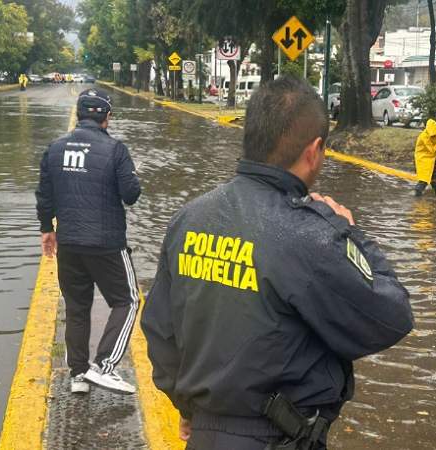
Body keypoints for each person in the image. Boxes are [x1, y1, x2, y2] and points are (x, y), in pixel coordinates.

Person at [142, 76, 414, 450]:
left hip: (205, 435)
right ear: (314, 150)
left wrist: (188, 409)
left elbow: (160, 330)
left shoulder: (188, 218)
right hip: (277, 438)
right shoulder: (309, 235)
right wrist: (349, 232)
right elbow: (392, 315)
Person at [35, 88, 142, 395]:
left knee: (77, 307)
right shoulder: (115, 150)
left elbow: (44, 195)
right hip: (107, 243)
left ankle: (78, 375)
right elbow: (130, 195)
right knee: (128, 300)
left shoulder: (55, 148)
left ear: (80, 114)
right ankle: (105, 366)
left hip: (69, 242)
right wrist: (134, 176)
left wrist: (47, 228)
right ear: (106, 117)